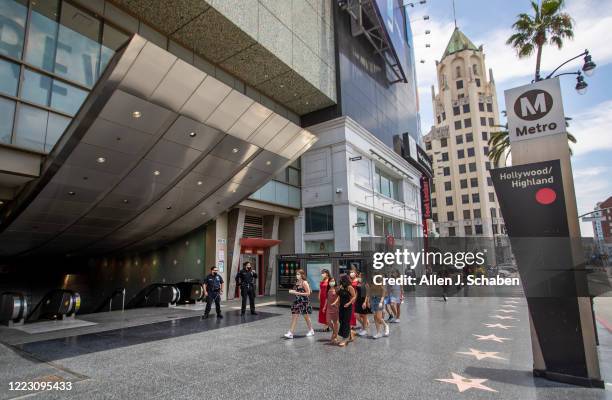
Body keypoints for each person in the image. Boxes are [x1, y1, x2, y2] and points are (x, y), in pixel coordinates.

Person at [284, 269, 314, 339]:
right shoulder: (297, 282)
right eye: (296, 274)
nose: (297, 275)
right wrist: (292, 291)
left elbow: (308, 293)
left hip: (304, 302)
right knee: (294, 316)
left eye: (298, 274)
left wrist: (296, 293)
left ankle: (311, 330)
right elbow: (296, 290)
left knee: (306, 317)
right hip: (297, 302)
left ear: (302, 275)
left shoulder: (304, 282)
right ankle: (291, 332)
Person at [336, 275, 357, 347]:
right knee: (341, 321)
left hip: (348, 307)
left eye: (342, 279)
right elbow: (339, 296)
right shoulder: (341, 287)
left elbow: (354, 296)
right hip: (341, 306)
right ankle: (351, 333)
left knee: (345, 322)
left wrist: (349, 303)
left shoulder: (350, 287)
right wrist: (336, 303)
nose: (341, 280)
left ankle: (345, 339)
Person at [323, 276, 339, 344]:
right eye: (330, 281)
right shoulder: (328, 289)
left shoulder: (337, 289)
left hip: (335, 307)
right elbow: (326, 299)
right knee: (328, 321)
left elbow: (339, 297)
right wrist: (324, 307)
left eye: (333, 281)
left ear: (335, 282)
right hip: (329, 308)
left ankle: (335, 335)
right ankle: (335, 332)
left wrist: (335, 303)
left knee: (335, 322)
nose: (331, 282)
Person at [354, 272, 371, 336]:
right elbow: (356, 293)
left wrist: (365, 302)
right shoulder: (358, 284)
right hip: (358, 300)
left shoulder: (366, 284)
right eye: (359, 276)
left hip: (364, 300)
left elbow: (367, 294)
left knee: (364, 315)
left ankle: (365, 329)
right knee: (356, 314)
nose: (359, 277)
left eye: (360, 276)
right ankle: (363, 325)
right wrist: (354, 300)